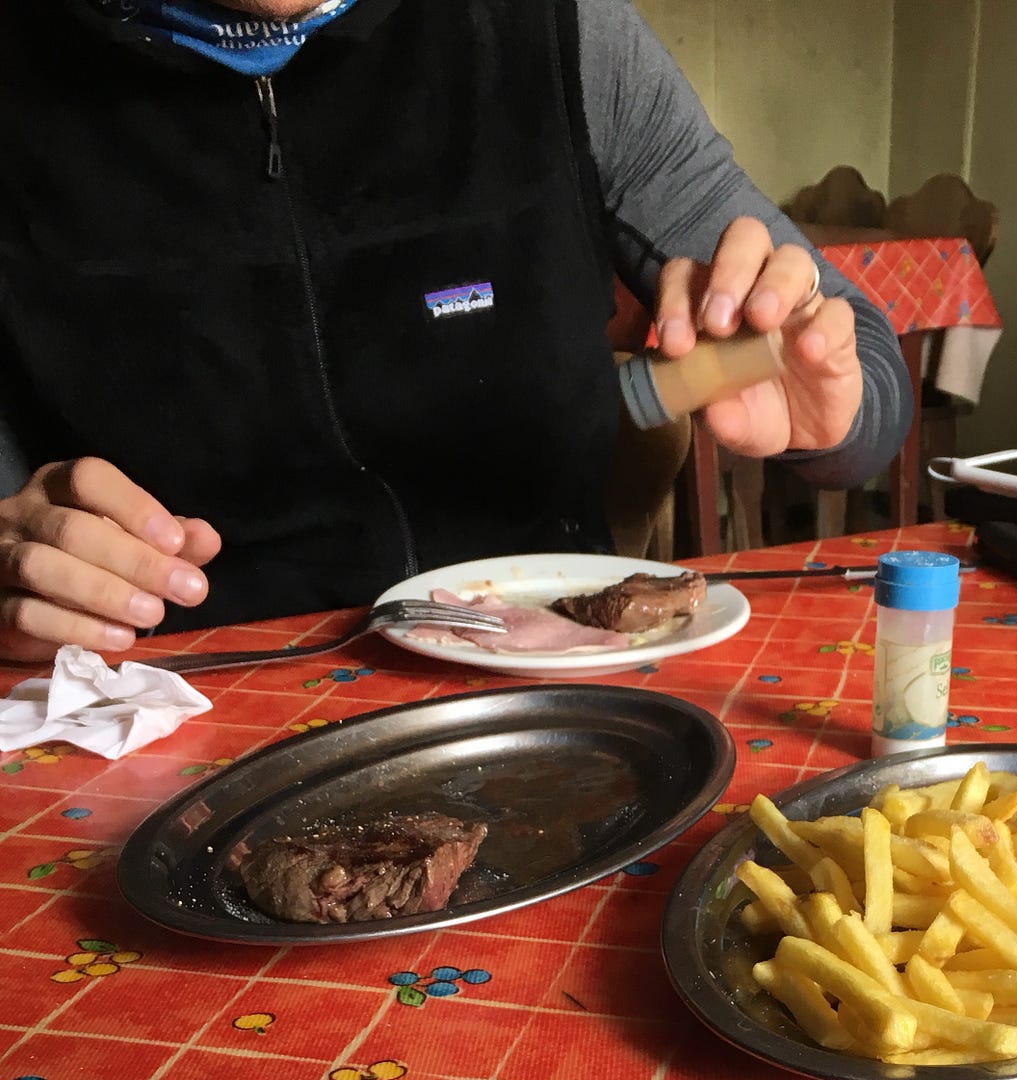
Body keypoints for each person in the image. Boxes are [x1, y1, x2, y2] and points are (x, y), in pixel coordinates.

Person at [0, 0, 913, 661]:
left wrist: (828, 405)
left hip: (555, 693)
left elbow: (866, 371)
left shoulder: (562, 32)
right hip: (171, 715)